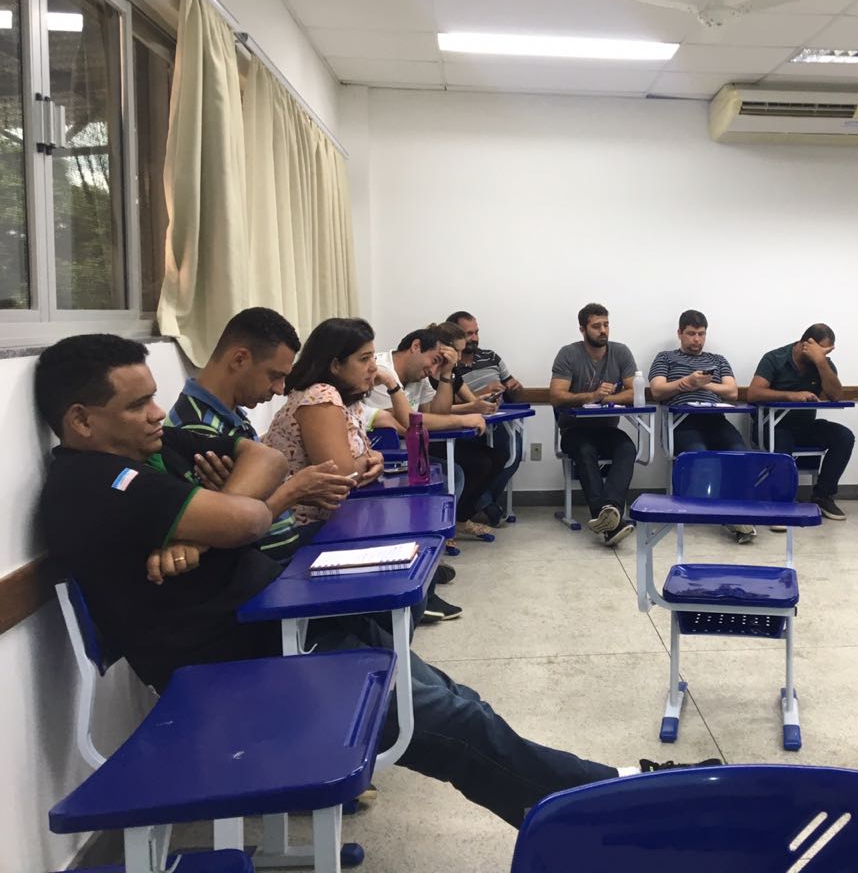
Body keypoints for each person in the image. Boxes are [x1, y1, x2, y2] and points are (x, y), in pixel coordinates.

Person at [36, 334, 717, 830]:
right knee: (455, 723)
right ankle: (611, 808)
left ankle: (608, 791)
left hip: (282, 625)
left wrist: (207, 525)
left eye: (154, 400)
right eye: (137, 406)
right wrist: (237, 516)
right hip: (239, 666)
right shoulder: (98, 485)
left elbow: (260, 459)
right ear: (81, 421)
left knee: (458, 701)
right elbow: (257, 505)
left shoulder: (154, 449)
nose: (158, 414)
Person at [165, 307, 355, 561]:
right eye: (274, 376)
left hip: (284, 558)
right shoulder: (198, 431)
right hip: (258, 571)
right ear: (239, 359)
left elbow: (250, 503)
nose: (279, 389)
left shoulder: (230, 414)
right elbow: (228, 526)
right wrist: (294, 491)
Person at [363, 325, 499, 538]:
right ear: (416, 347)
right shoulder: (380, 371)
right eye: (435, 361)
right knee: (454, 473)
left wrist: (446, 374)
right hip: (382, 455)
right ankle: (429, 536)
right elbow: (408, 422)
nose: (433, 370)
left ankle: (438, 534)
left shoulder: (420, 376)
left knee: (464, 469)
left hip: (408, 452)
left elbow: (437, 412)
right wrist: (463, 419)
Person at [649, 309, 754, 544]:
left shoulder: (718, 360)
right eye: (691, 334)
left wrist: (704, 385)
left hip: (716, 419)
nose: (696, 339)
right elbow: (657, 390)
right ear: (679, 333)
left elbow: (732, 392)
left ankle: (736, 515)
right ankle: (723, 514)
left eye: (701, 334)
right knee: (701, 456)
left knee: (740, 454)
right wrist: (687, 382)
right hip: (682, 421)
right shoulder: (665, 358)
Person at [549, 303, 638, 546]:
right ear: (583, 329)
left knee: (627, 448)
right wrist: (591, 396)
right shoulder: (568, 354)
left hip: (607, 429)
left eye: (606, 325)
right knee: (585, 450)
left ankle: (608, 511)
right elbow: (556, 396)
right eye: (596, 326)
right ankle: (608, 518)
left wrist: (606, 399)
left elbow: (634, 392)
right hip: (573, 430)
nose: (603, 330)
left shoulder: (621, 352)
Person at [745, 323, 854, 521]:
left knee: (844, 436)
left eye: (826, 352)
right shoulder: (775, 358)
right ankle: (781, 501)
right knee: (782, 441)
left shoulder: (823, 364)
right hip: (773, 426)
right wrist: (790, 395)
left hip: (804, 426)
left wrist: (821, 362)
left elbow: (836, 396)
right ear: (806, 344)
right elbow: (753, 393)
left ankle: (823, 495)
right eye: (820, 351)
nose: (823, 355)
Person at [448, 310, 525, 525]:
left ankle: (481, 504)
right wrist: (483, 393)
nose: (474, 338)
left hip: (497, 420)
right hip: (464, 425)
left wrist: (515, 387)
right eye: (468, 334)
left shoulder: (491, 357)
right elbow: (445, 403)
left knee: (512, 452)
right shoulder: (448, 365)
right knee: (478, 461)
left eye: (476, 332)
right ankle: (485, 507)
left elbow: (516, 395)